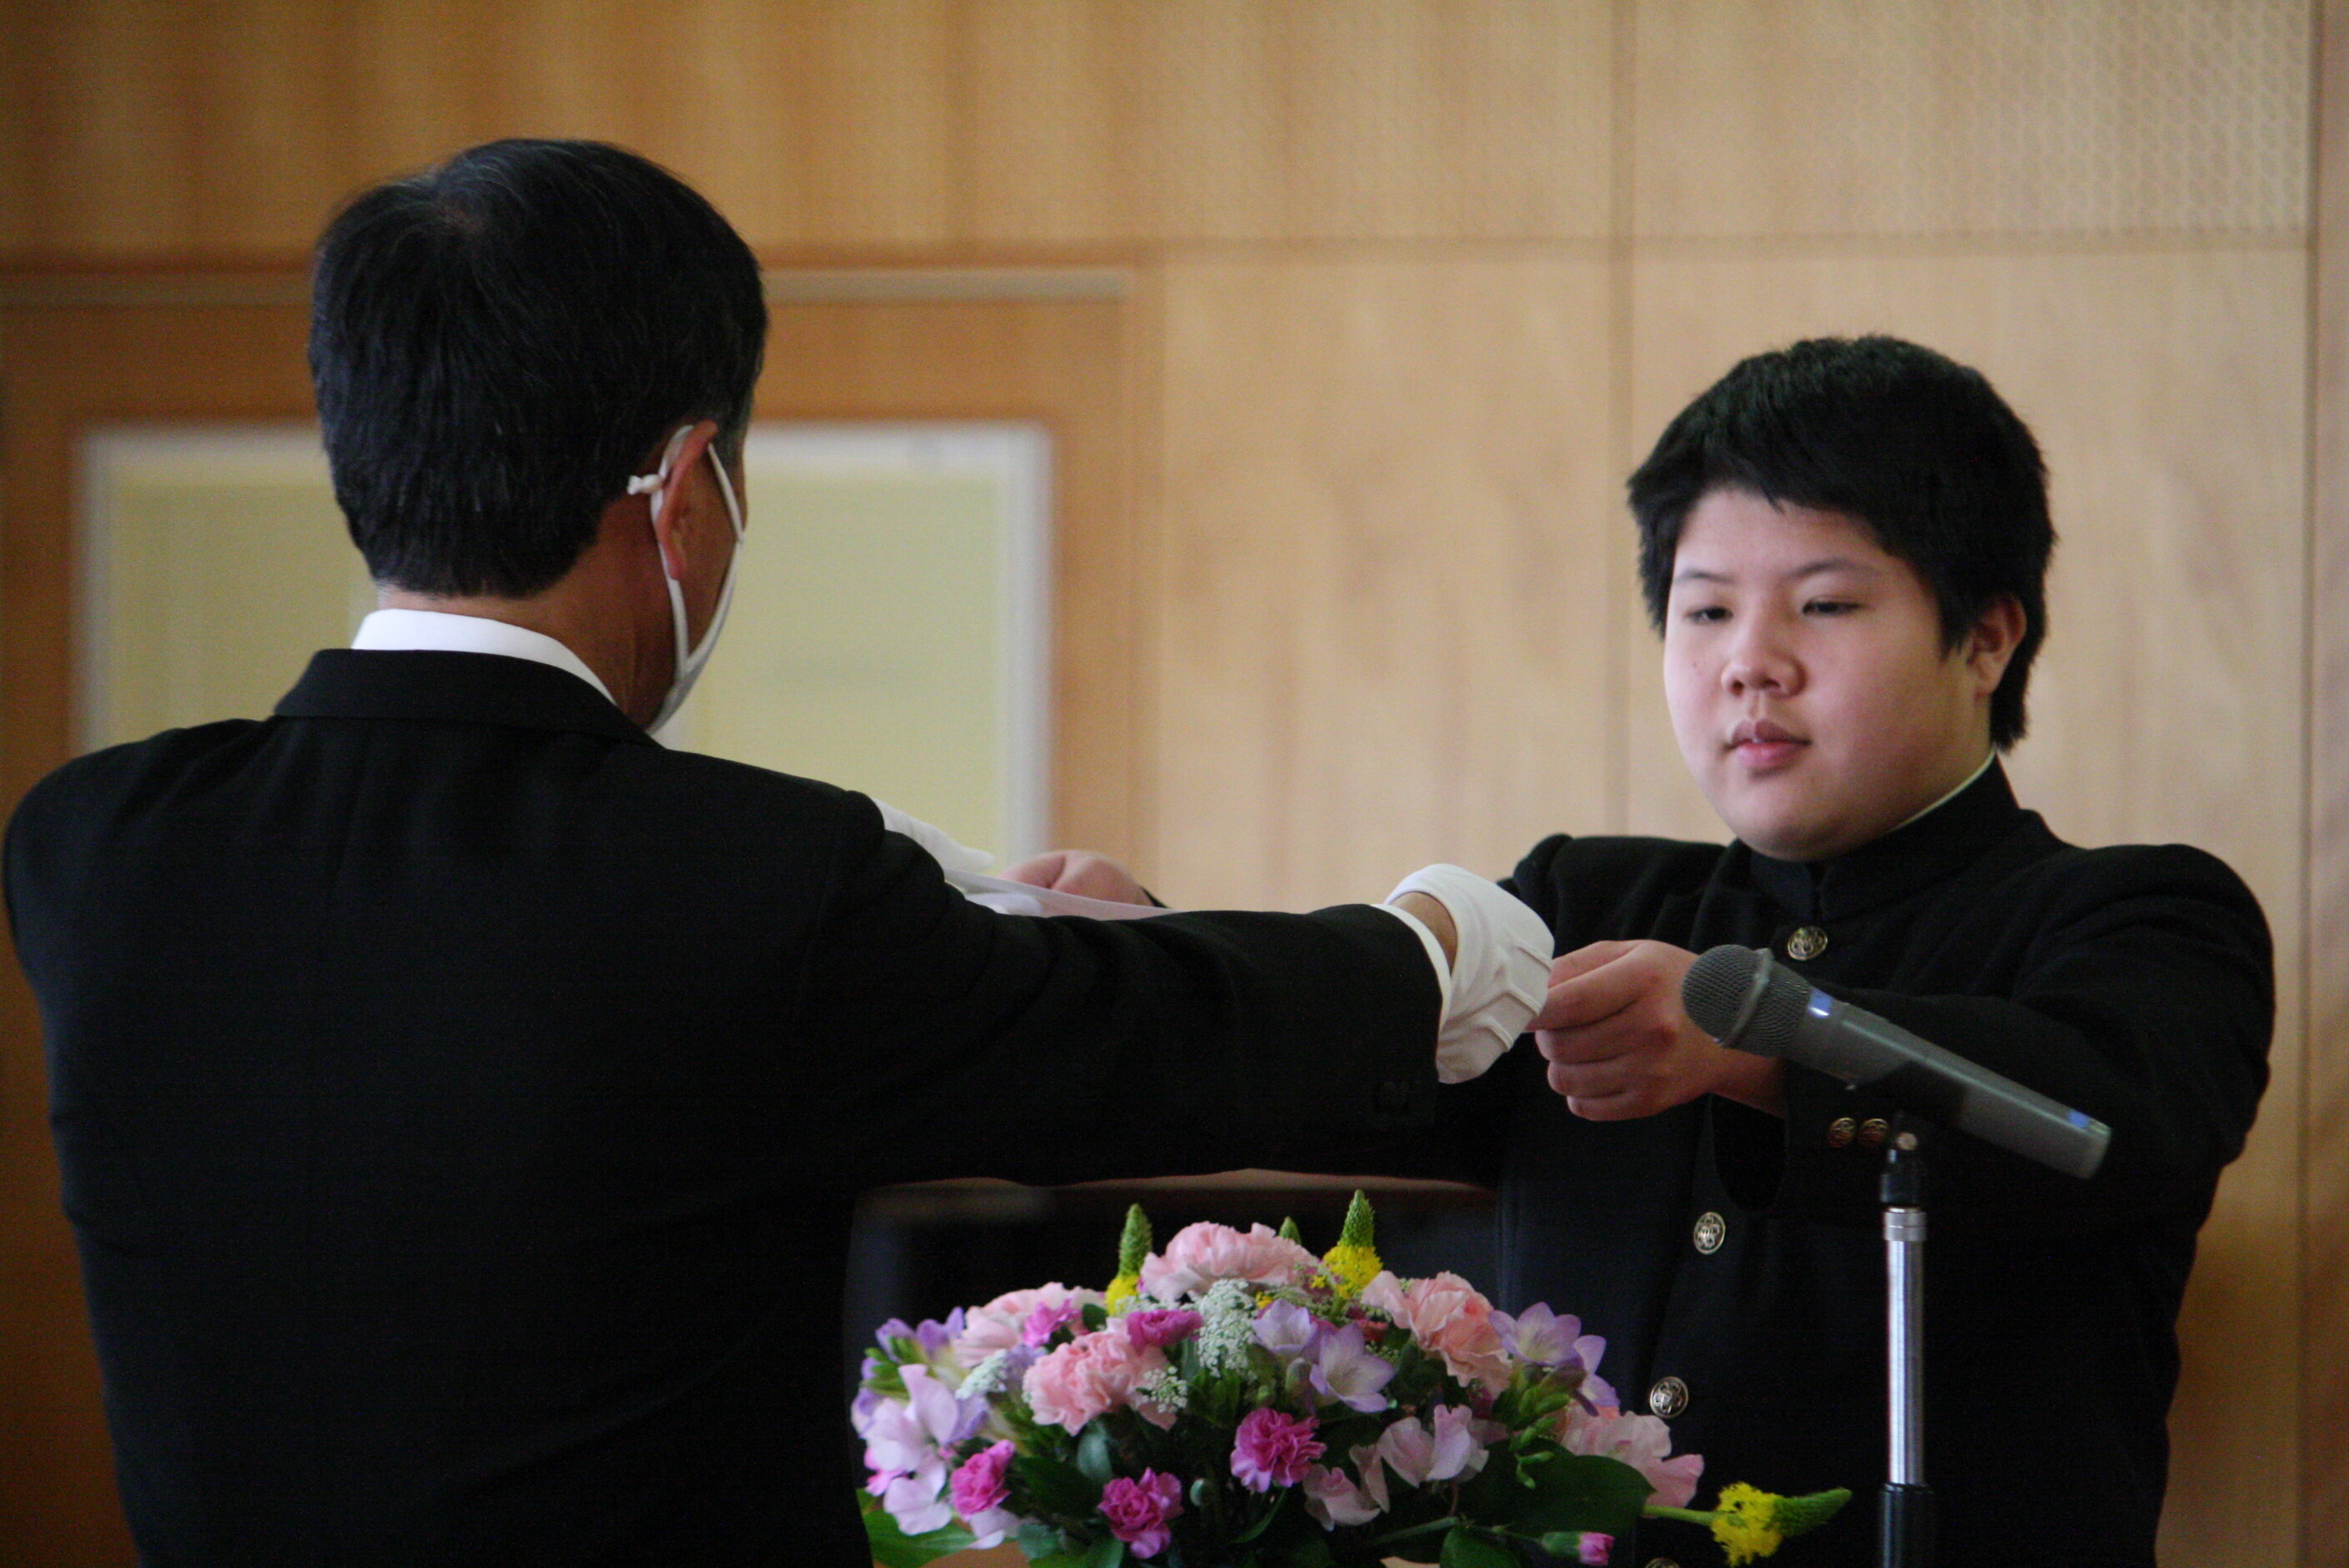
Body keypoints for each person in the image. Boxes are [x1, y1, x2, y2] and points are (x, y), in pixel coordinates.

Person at [1, 139, 1553, 1567]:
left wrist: (981, 922)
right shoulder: (758, 881)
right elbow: (1146, 1039)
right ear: (686, 490)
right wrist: (1443, 936)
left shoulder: (93, 851)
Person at [1028, 337, 2272, 1566]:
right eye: (1706, 609)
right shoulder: (1590, 898)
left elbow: (2103, 1119)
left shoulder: (2146, 915)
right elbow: (1357, 1028)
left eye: (1826, 605)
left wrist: (1755, 1042)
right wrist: (1154, 949)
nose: (1750, 664)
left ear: (1987, 638)